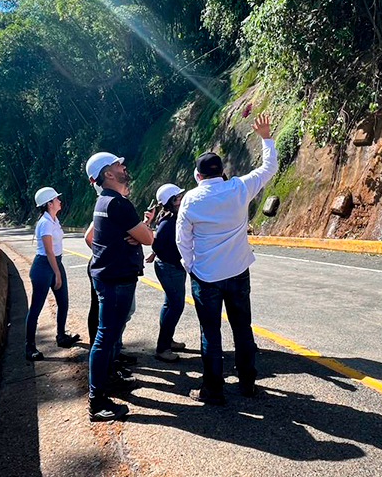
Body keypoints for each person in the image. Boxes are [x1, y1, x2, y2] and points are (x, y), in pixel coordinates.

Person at [176, 114, 277, 404]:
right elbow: (268, 167)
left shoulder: (191, 201)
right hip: (238, 272)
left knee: (211, 333)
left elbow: (182, 241)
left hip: (206, 277)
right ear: (222, 171)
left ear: (197, 176)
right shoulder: (239, 188)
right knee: (242, 328)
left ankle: (213, 390)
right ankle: (247, 382)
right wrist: (266, 137)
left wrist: (190, 266)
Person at [84, 152, 154, 421]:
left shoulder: (103, 201)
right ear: (107, 174)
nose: (123, 166)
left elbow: (91, 237)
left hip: (108, 277)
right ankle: (96, 401)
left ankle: (106, 383)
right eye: (117, 164)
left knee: (108, 338)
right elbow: (147, 238)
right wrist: (142, 232)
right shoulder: (119, 204)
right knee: (104, 340)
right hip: (116, 280)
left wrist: (131, 235)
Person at [25, 187, 80, 361]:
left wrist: (57, 269)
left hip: (56, 262)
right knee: (36, 308)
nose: (59, 201)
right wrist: (56, 273)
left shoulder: (54, 220)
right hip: (44, 266)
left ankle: (61, 336)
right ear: (49, 203)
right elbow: (48, 251)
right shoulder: (45, 223)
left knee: (63, 301)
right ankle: (29, 347)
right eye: (57, 199)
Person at [147, 183, 189, 362]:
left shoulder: (171, 217)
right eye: (178, 198)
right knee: (176, 306)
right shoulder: (168, 221)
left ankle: (167, 340)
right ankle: (162, 348)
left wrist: (155, 254)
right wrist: (157, 253)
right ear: (171, 201)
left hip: (171, 267)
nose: (181, 200)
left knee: (169, 305)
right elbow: (156, 243)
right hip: (170, 268)